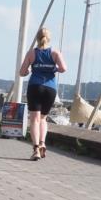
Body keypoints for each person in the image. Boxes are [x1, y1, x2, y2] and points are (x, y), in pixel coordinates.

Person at [18, 27, 67, 161]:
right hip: (50, 88)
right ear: (48, 38)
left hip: (35, 86)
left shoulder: (31, 53)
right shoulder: (55, 53)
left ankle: (36, 150)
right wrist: (54, 68)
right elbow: (64, 68)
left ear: (37, 38)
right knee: (43, 118)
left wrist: (29, 70)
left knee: (34, 119)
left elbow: (22, 72)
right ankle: (42, 143)